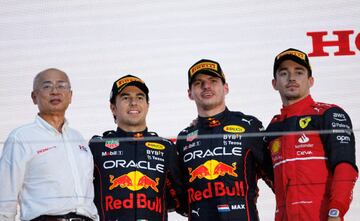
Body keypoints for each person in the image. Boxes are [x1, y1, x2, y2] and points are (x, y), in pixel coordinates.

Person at [265, 48, 358, 221]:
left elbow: (345, 167)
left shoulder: (329, 114)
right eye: (284, 73)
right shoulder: (273, 127)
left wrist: (336, 210)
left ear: (311, 80)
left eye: (299, 72)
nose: (291, 78)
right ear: (274, 83)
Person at [175, 59, 273, 221]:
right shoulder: (184, 138)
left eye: (213, 81)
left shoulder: (249, 126)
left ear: (225, 88)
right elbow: (179, 196)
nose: (206, 86)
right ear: (190, 94)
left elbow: (274, 176)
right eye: (199, 83)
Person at [0, 68, 98, 221]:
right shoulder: (21, 138)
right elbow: (5, 198)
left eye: (61, 86)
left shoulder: (78, 139)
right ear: (34, 96)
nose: (55, 91)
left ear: (70, 95)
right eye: (47, 86)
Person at [89, 75, 184, 221]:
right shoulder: (97, 147)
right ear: (113, 107)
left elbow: (180, 201)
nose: (133, 103)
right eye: (125, 98)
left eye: (140, 97)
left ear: (147, 105)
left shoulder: (166, 148)